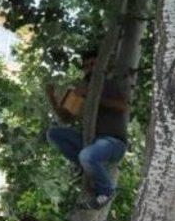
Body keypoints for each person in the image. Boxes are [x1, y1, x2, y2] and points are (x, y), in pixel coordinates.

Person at [46, 49, 128, 209]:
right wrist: (52, 98)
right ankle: (82, 164)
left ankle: (106, 191)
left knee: (87, 155)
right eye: (87, 65)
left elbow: (122, 106)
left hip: (113, 143)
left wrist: (92, 96)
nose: (90, 67)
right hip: (91, 141)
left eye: (94, 64)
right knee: (54, 133)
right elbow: (67, 118)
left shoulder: (108, 84)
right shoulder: (82, 89)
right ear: (83, 69)